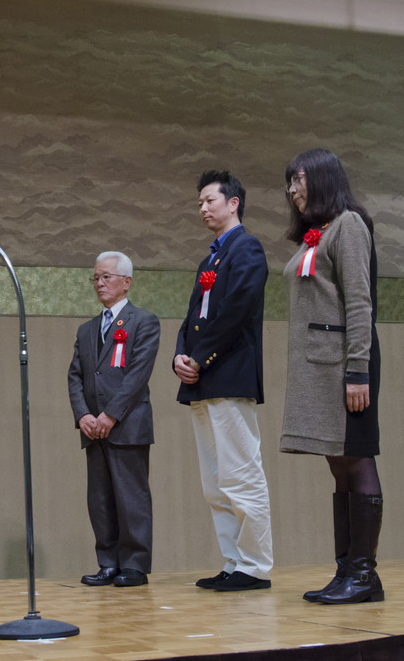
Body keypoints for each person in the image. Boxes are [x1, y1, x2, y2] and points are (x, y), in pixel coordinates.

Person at [280, 148, 384, 605]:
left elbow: (360, 302)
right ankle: (345, 570)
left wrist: (357, 370)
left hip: (347, 366)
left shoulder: (350, 226)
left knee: (357, 461)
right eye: (289, 183)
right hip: (319, 369)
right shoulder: (313, 236)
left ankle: (364, 575)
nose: (292, 190)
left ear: (321, 178)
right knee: (337, 465)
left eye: (297, 180)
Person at [174, 170, 274, 592]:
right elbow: (193, 314)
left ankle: (254, 566)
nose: (202, 208)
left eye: (209, 200)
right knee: (215, 481)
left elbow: (237, 310)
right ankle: (233, 561)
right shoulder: (209, 258)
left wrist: (200, 356)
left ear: (233, 203)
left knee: (241, 473)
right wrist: (180, 354)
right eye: (199, 203)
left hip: (229, 375)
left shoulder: (247, 248)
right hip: (203, 379)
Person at [68, 251, 160, 587]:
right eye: (96, 277)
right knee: (100, 498)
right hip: (94, 429)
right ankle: (108, 561)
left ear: (126, 282)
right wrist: (84, 416)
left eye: (106, 277)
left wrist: (110, 414)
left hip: (127, 425)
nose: (100, 283)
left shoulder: (143, 322)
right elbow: (75, 376)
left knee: (131, 497)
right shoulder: (87, 329)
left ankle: (134, 564)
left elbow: (137, 374)